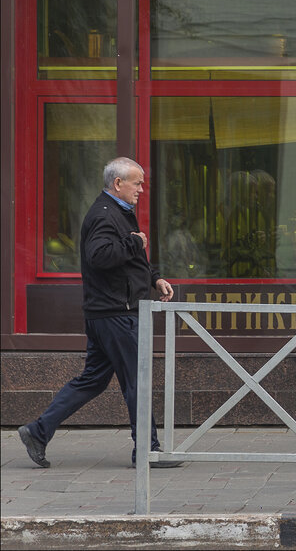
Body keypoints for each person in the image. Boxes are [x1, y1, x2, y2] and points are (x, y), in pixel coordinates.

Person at [18, 157, 183, 469]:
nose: (142, 189)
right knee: (138, 380)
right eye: (137, 182)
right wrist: (134, 243)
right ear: (118, 184)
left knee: (92, 381)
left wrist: (154, 278)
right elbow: (100, 257)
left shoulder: (117, 212)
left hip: (106, 313)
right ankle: (147, 450)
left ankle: (38, 432)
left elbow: (128, 263)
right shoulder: (104, 215)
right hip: (114, 315)